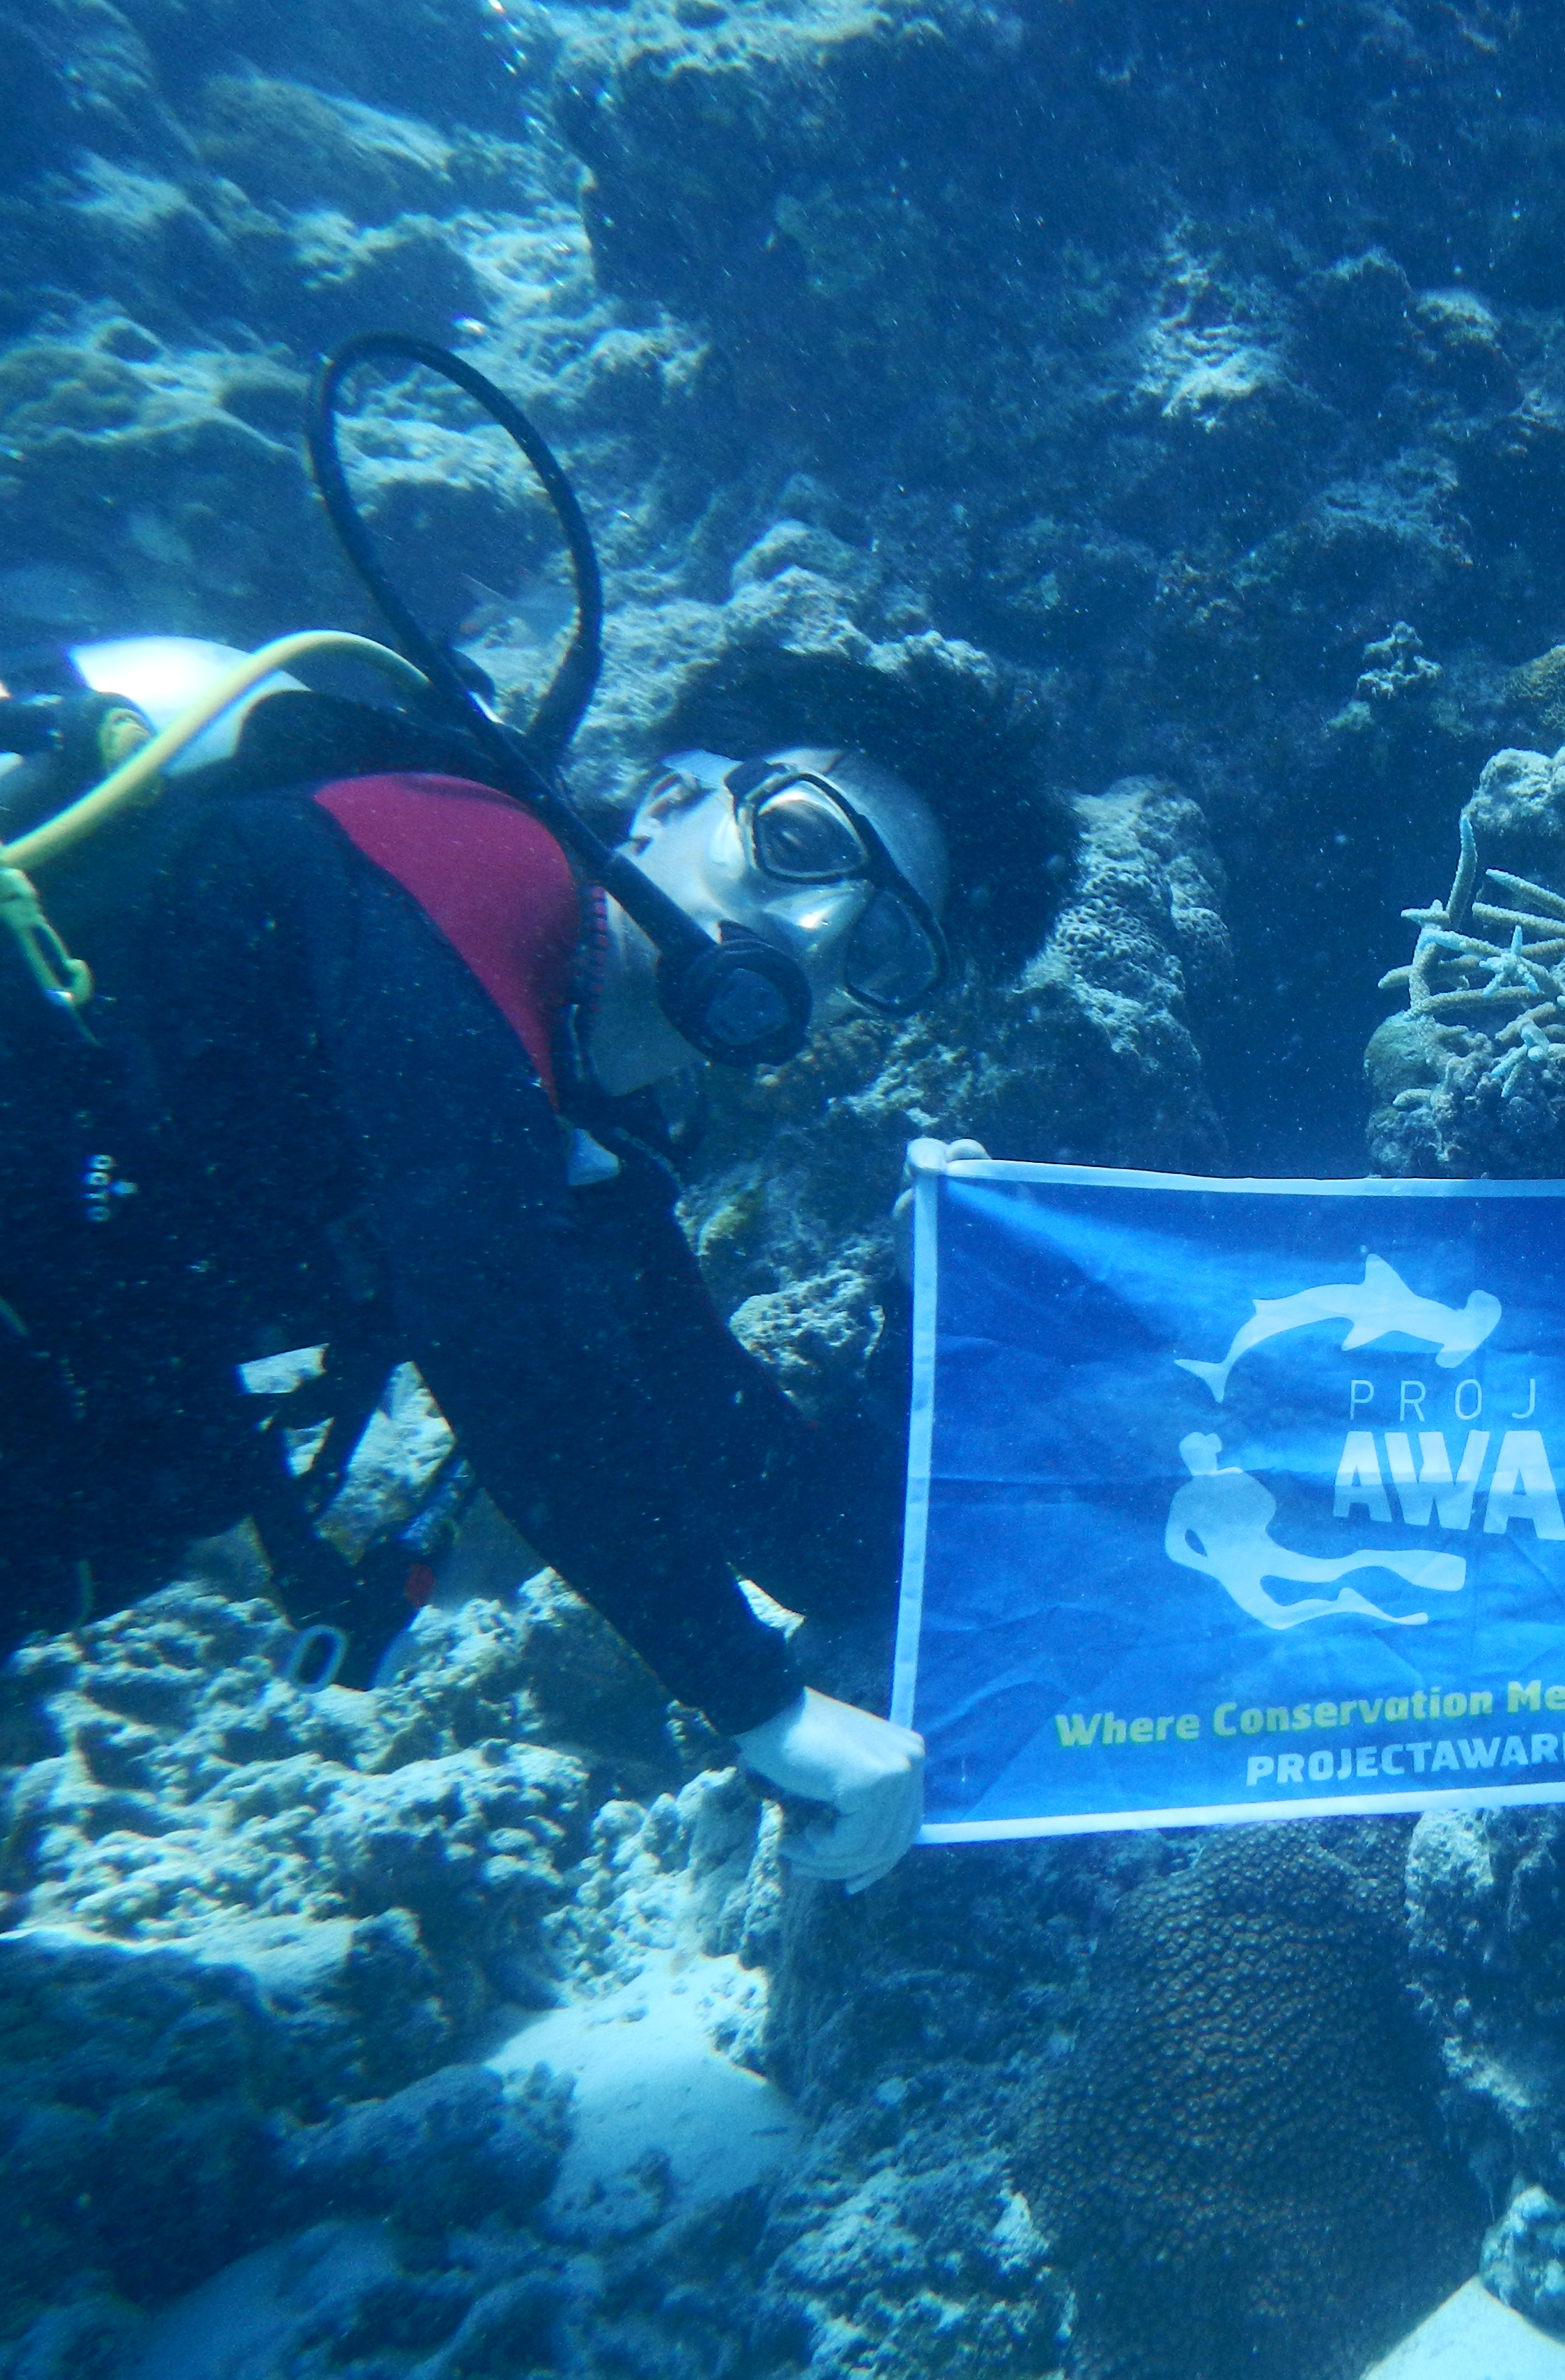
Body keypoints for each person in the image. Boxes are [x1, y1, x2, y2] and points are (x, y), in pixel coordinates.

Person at [1, 635, 945, 1889]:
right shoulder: (463, 852)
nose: (821, 935)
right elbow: (492, 1311)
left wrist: (937, 1305)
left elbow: (802, 1530)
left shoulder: (584, 1139)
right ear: (668, 797)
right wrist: (759, 1705)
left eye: (882, 949)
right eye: (802, 843)